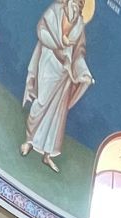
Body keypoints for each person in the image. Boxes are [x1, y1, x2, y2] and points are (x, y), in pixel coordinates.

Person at [22, 0, 93, 170]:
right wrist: (60, 43)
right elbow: (42, 30)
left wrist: (84, 73)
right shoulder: (55, 11)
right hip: (49, 62)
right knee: (41, 102)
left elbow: (78, 54)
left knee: (57, 116)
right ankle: (29, 141)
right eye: (76, 1)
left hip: (65, 73)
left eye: (81, 3)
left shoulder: (80, 25)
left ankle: (47, 154)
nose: (78, 4)